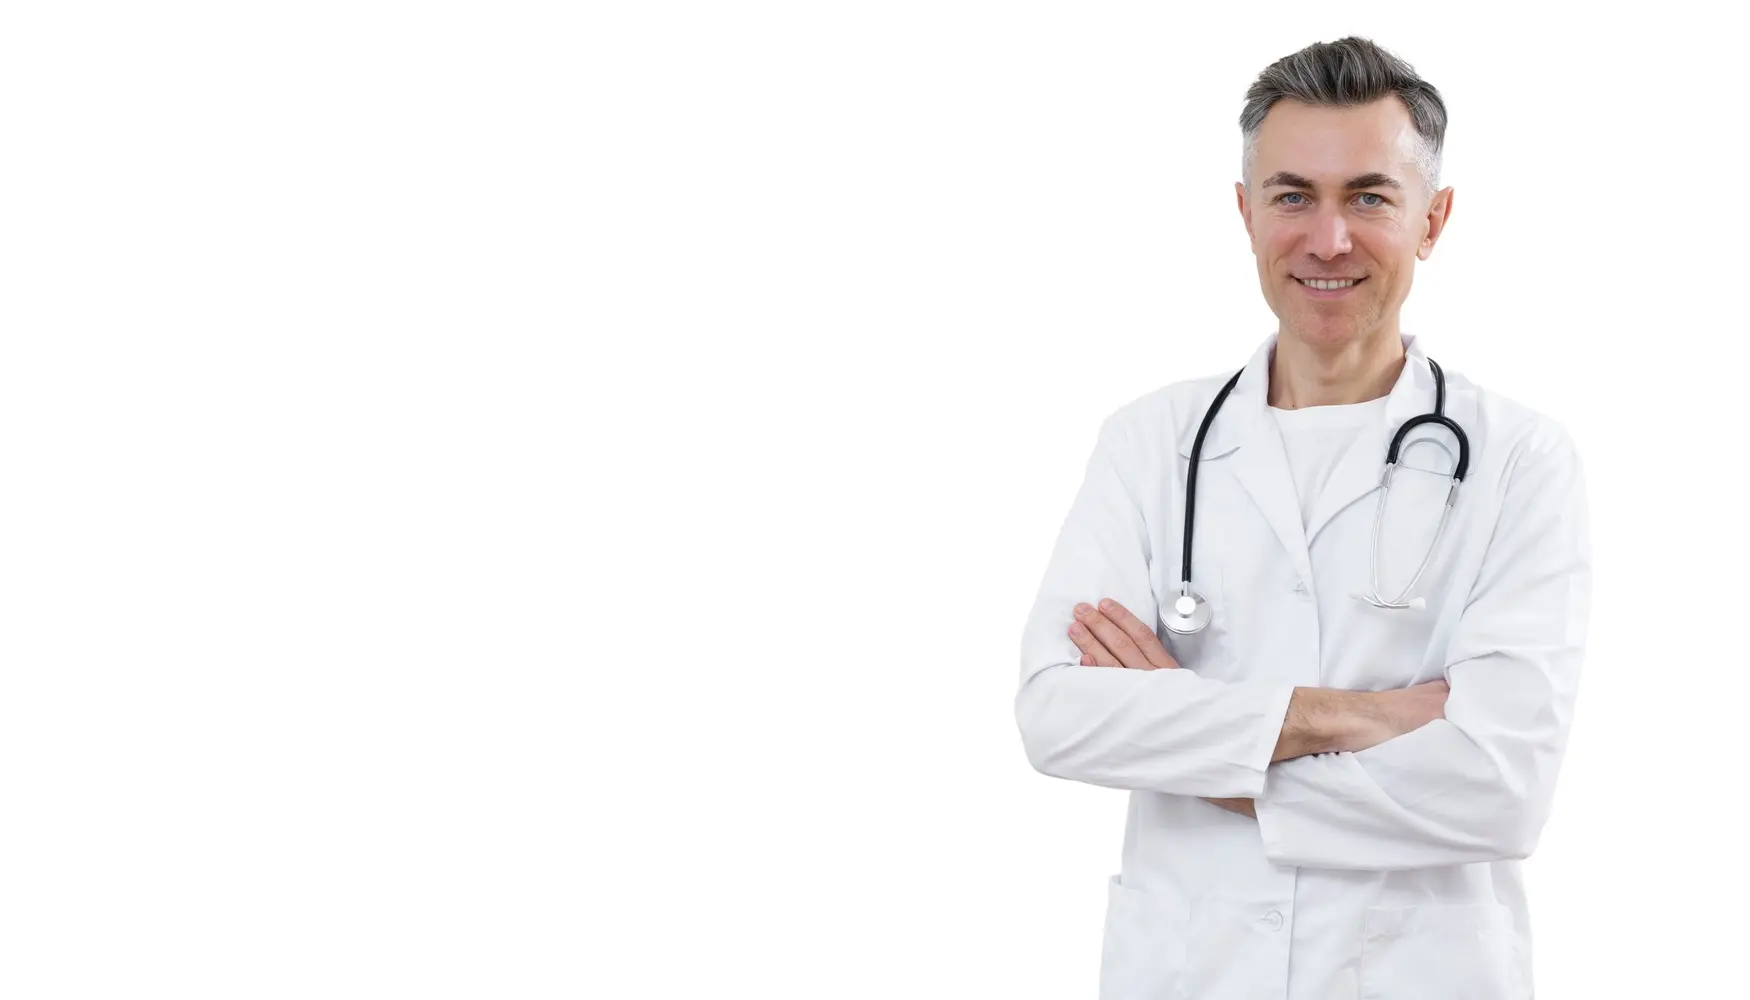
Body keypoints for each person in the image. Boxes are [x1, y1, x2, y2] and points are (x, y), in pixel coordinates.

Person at [1013, 37, 1590, 1000]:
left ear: (1433, 219)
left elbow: (1501, 790)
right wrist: (1361, 716)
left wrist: (1188, 738)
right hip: (1190, 973)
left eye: (1369, 197)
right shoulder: (1150, 443)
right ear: (1245, 213)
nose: (1328, 240)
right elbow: (1057, 717)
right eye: (1292, 197)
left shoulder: (1520, 460)